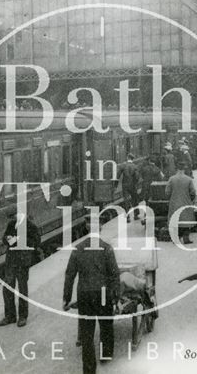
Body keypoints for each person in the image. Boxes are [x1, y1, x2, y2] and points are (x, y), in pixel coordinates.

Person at [63, 235, 120, 374]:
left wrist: (66, 298)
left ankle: (89, 369)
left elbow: (70, 275)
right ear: (100, 229)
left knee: (87, 333)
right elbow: (114, 274)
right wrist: (116, 299)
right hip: (102, 293)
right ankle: (105, 355)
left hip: (84, 294)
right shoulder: (106, 248)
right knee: (106, 325)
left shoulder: (78, 248)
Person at [0, 212, 40, 328]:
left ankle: (22, 317)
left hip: (22, 261)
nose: (13, 218)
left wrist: (20, 240)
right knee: (7, 288)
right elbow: (4, 239)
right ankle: (10, 316)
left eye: (14, 216)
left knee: (22, 289)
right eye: (12, 217)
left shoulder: (30, 226)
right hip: (11, 260)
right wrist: (8, 239)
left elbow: (36, 242)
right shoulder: (11, 224)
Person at [165, 162, 196, 244]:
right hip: (186, 202)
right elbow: (193, 192)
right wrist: (190, 200)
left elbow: (167, 192)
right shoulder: (189, 179)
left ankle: (176, 238)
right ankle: (186, 238)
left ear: (177, 169)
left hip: (174, 203)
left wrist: (171, 199)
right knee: (186, 220)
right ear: (184, 170)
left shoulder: (172, 179)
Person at [117, 153, 141, 222]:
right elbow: (137, 177)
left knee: (126, 201)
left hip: (125, 185)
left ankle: (127, 217)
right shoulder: (135, 166)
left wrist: (116, 184)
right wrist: (135, 183)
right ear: (133, 159)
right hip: (133, 185)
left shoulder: (123, 165)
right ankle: (136, 215)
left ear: (127, 158)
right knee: (135, 200)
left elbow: (118, 175)